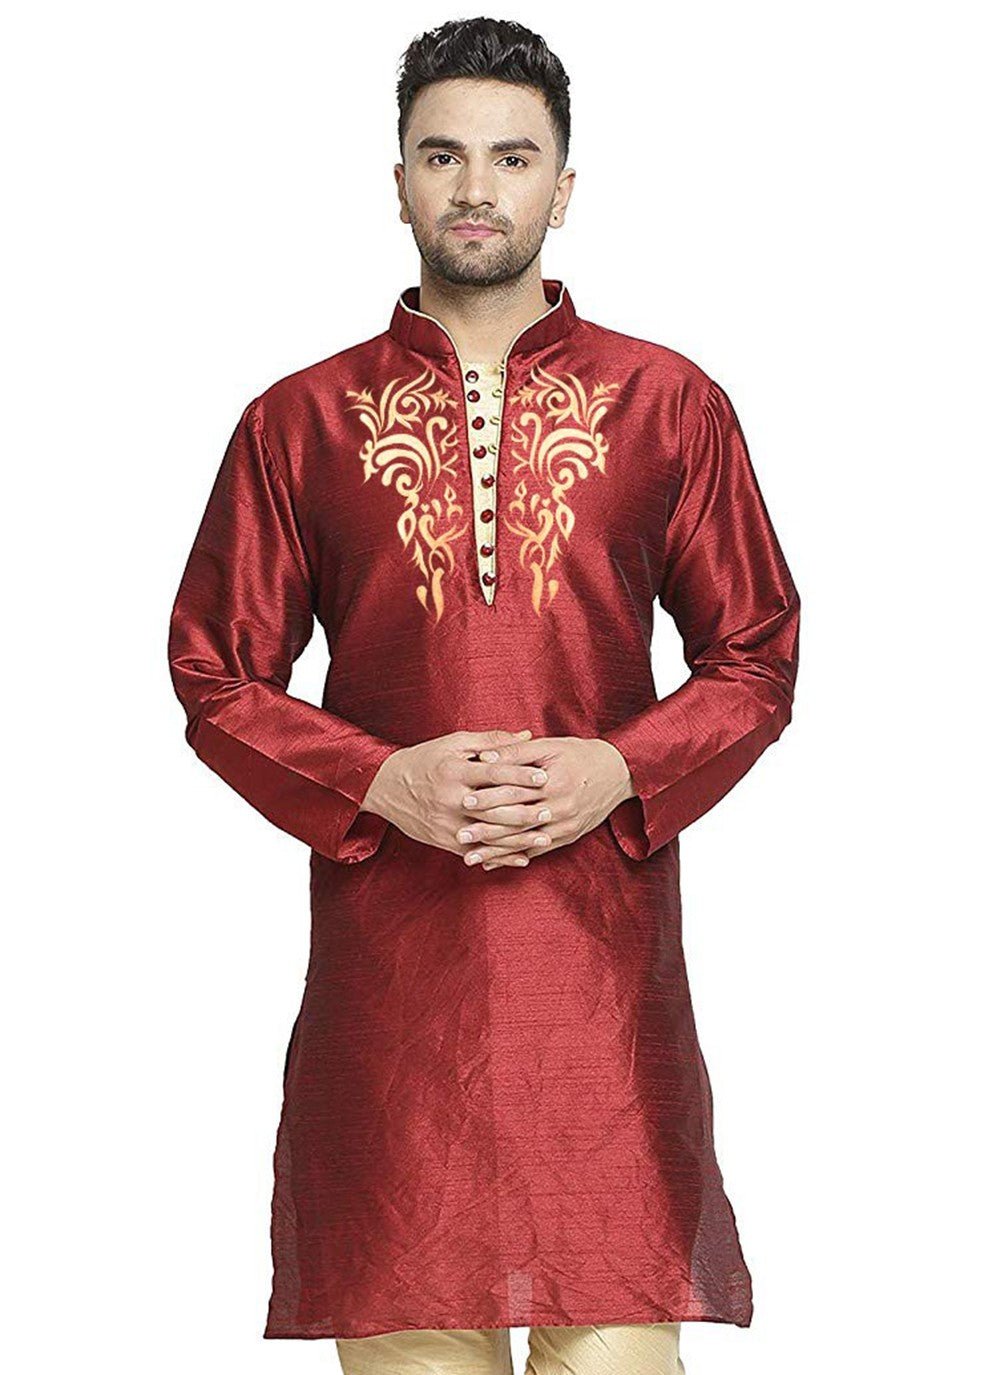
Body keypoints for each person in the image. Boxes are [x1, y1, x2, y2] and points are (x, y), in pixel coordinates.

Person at [167, 16, 800, 1375]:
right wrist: (377, 778)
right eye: (442, 155)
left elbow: (757, 650)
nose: (474, 187)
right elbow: (215, 673)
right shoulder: (299, 422)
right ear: (396, 180)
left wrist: (618, 769)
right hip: (396, 988)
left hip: (601, 985)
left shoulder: (667, 404)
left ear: (562, 189)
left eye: (512, 158)